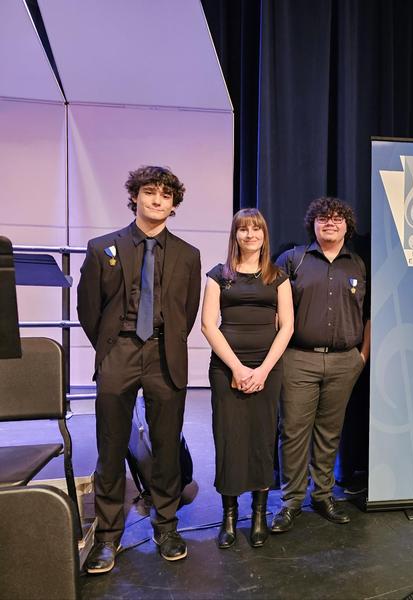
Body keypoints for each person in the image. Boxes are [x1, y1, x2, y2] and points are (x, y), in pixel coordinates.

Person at [77, 166, 201, 573]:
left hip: (165, 354)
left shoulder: (188, 255)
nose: (157, 201)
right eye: (150, 193)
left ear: (174, 204)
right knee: (111, 447)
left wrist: (164, 342)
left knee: (166, 447)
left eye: (166, 195)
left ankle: (166, 526)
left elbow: (187, 309)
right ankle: (108, 537)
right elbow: (88, 309)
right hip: (119, 353)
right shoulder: (102, 248)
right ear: (135, 197)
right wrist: (111, 348)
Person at [271, 197, 370, 532]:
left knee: (330, 434)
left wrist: (362, 356)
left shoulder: (357, 264)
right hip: (298, 358)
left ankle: (323, 494)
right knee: (294, 432)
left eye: (338, 218)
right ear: (312, 224)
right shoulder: (292, 260)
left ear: (347, 226)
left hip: (345, 361)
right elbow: (272, 311)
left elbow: (369, 315)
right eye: (323, 218)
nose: (331, 223)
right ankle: (291, 501)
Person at [200, 208, 293, 548]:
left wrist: (263, 370)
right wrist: (238, 369)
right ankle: (228, 516)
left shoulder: (277, 277)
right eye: (243, 229)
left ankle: (258, 514)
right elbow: (208, 324)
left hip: (267, 367)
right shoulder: (218, 275)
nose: (250, 235)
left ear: (264, 235)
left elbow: (288, 326)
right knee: (228, 439)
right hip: (226, 368)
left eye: (256, 229)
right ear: (235, 235)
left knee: (261, 439)